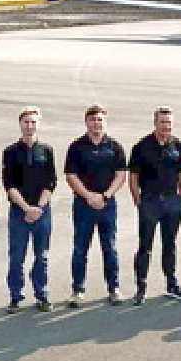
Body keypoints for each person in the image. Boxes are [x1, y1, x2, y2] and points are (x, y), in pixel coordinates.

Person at [64, 104, 127, 306]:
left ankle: (114, 288)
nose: (96, 123)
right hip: (84, 205)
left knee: (110, 247)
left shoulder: (114, 147)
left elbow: (120, 175)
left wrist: (105, 196)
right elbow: (71, 175)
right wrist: (89, 196)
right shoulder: (76, 147)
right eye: (92, 119)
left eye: (100, 119)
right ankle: (78, 290)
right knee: (80, 248)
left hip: (107, 205)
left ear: (104, 122)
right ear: (86, 122)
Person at [128, 106, 181, 305]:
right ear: (155, 123)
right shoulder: (142, 146)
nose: (166, 126)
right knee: (145, 246)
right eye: (163, 122)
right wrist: (137, 200)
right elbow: (134, 176)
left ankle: (171, 283)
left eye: (169, 123)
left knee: (169, 244)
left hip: (172, 202)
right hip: (150, 202)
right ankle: (141, 287)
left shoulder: (178, 145)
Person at [2, 107, 56, 313]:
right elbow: (9, 185)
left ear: (38, 124)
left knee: (42, 256)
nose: (30, 125)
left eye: (33, 122)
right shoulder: (11, 152)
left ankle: (41, 294)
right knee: (17, 256)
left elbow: (51, 182)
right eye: (26, 122)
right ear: (20, 124)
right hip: (19, 212)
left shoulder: (47, 150)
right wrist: (25, 208)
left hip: (42, 211)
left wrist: (39, 208)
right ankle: (16, 296)